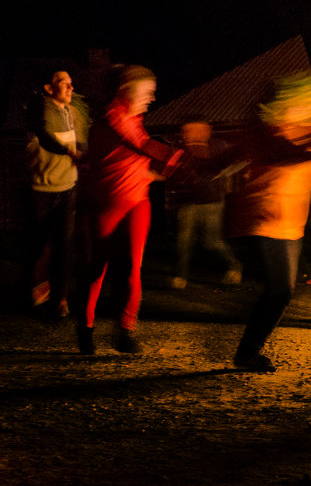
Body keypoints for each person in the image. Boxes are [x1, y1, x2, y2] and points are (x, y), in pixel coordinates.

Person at [224, 73, 311, 372]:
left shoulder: (310, 133)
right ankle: (247, 353)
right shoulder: (269, 133)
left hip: (290, 224)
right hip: (261, 218)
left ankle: (247, 351)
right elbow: (286, 154)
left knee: (280, 291)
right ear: (292, 101)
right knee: (280, 290)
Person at [77, 65, 181, 355]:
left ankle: (125, 332)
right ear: (126, 90)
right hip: (105, 203)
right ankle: (85, 329)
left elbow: (134, 157)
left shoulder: (135, 119)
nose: (153, 97)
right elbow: (140, 145)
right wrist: (179, 159)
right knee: (97, 268)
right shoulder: (112, 118)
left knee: (131, 269)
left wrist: (155, 172)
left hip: (137, 201)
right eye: (147, 91)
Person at [24, 69, 88, 319]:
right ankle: (38, 289)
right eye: (64, 83)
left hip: (67, 187)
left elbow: (81, 144)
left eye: (71, 83)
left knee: (64, 244)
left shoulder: (73, 113)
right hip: (40, 187)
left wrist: (83, 155)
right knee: (39, 245)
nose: (70, 88)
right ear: (49, 89)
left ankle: (61, 298)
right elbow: (46, 137)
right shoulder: (39, 111)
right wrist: (69, 153)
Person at [168, 116, 241, 289]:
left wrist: (224, 173)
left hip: (212, 202)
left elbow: (239, 160)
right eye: (187, 131)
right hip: (187, 201)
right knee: (183, 241)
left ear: (206, 131)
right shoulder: (179, 150)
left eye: (195, 129)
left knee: (211, 242)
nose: (189, 134)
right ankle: (180, 276)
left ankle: (234, 266)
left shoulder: (218, 146)